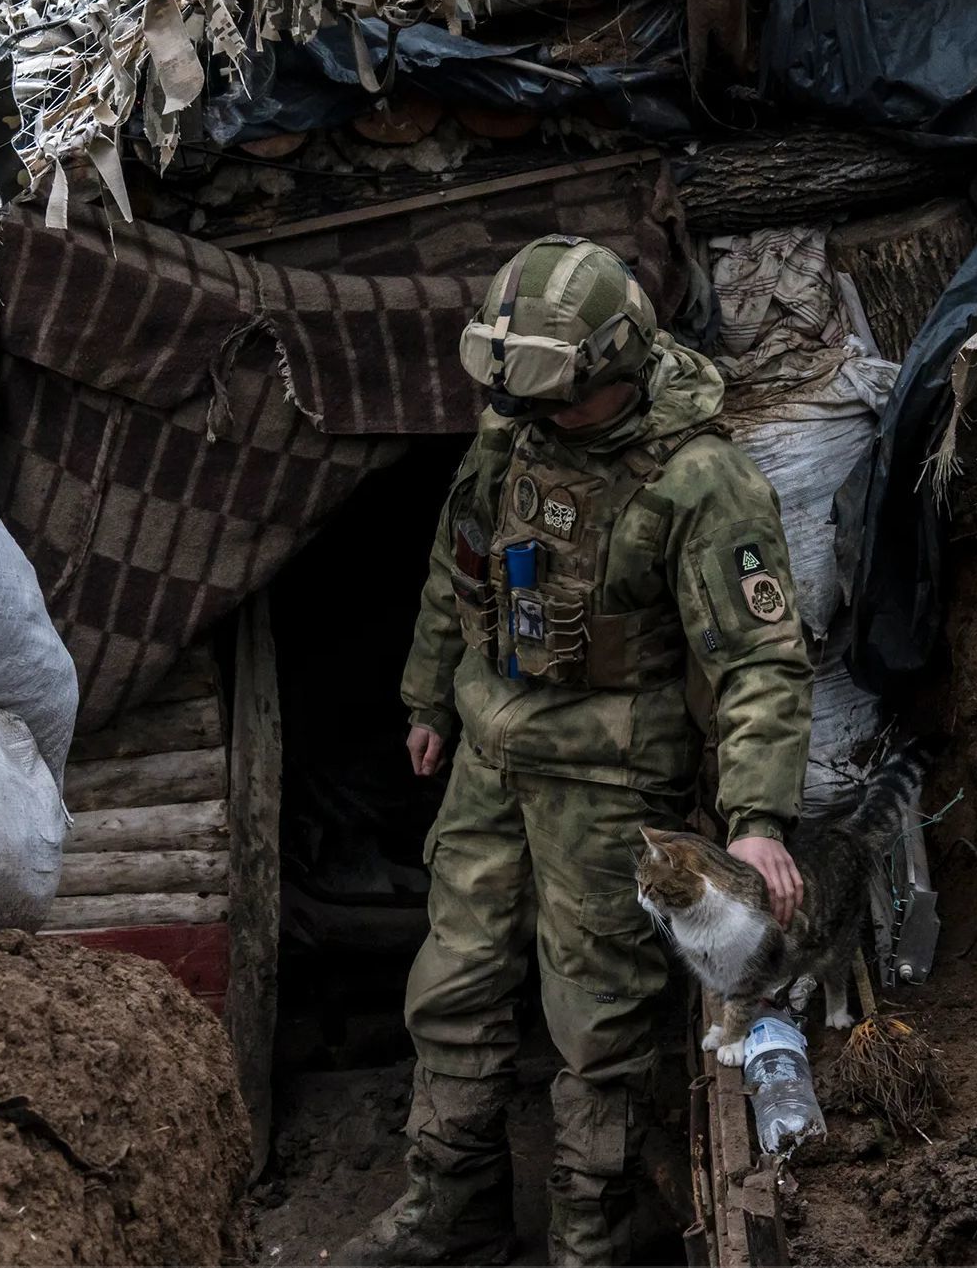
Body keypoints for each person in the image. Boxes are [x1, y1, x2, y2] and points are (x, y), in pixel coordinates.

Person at [340, 236, 814, 1266]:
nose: (541, 422)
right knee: (451, 986)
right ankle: (449, 1206)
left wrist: (759, 818)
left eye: (563, 402)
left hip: (609, 783)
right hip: (490, 759)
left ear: (620, 366)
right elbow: (454, 567)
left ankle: (590, 1235)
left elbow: (760, 662)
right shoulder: (514, 434)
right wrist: (429, 697)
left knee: (600, 1024)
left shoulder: (702, 482)